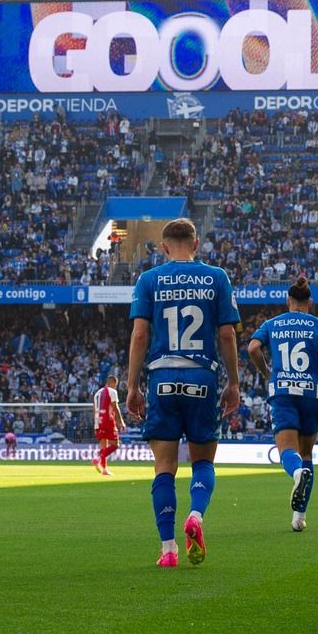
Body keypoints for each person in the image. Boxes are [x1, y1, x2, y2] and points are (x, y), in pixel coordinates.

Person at [127, 217, 240, 568]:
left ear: (163, 248)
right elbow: (227, 336)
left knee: (164, 467)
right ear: (195, 244)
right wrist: (233, 382)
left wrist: (131, 386)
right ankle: (196, 515)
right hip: (202, 379)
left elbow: (140, 336)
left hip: (161, 379)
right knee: (203, 462)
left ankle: (168, 549)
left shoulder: (149, 280)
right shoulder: (216, 277)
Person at [246, 278, 318, 532]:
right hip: (311, 393)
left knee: (287, 451)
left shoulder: (273, 324)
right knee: (307, 454)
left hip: (283, 391)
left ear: (288, 301)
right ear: (310, 303)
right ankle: (298, 516)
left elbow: (253, 348)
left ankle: (296, 474)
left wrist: (267, 371)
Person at [92, 375, 123, 475]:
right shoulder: (112, 391)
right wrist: (120, 421)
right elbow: (115, 407)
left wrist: (98, 422)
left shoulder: (97, 393)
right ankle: (98, 457)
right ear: (113, 383)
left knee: (104, 446)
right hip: (108, 420)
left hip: (98, 422)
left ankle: (104, 470)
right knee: (115, 444)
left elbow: (94, 409)